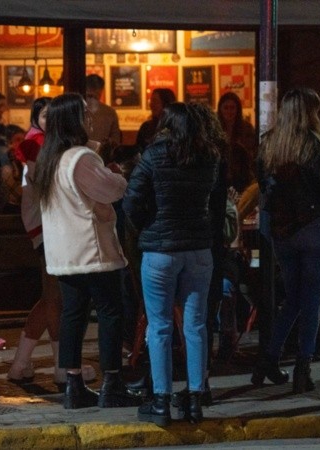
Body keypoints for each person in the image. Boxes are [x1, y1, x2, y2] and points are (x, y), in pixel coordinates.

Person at [34, 92, 137, 410]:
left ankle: (74, 385)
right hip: (91, 250)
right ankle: (112, 383)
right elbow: (111, 190)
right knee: (109, 313)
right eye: (84, 113)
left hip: (64, 253)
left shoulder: (49, 158)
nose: (90, 118)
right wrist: (118, 174)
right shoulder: (79, 158)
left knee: (73, 316)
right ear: (73, 119)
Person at [124, 102, 221, 425]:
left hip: (160, 251)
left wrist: (146, 227)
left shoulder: (153, 155)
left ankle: (161, 402)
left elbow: (132, 200)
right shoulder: (209, 157)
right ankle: (195, 399)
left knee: (160, 326)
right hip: (198, 249)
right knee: (195, 325)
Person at [251, 88, 320, 395]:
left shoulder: (268, 143)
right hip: (314, 226)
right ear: (308, 112)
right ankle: (303, 366)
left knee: (292, 298)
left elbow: (263, 184)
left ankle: (269, 358)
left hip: (283, 230)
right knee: (311, 299)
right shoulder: (312, 143)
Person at [6, 97, 70, 386]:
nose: (49, 120)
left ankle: (20, 365)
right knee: (55, 298)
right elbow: (48, 183)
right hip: (47, 227)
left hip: (41, 227)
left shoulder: (36, 140)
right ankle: (61, 366)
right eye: (44, 115)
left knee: (49, 298)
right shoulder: (37, 142)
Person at [217, 92, 258, 165]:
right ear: (220, 109)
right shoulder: (215, 129)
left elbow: (252, 152)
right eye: (226, 108)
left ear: (238, 109)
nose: (229, 111)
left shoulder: (247, 128)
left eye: (232, 108)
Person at [85, 74, 122, 155]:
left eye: (92, 96)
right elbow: (116, 142)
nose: (91, 100)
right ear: (101, 91)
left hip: (80, 158)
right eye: (89, 96)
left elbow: (115, 141)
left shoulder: (76, 110)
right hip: (101, 159)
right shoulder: (110, 112)